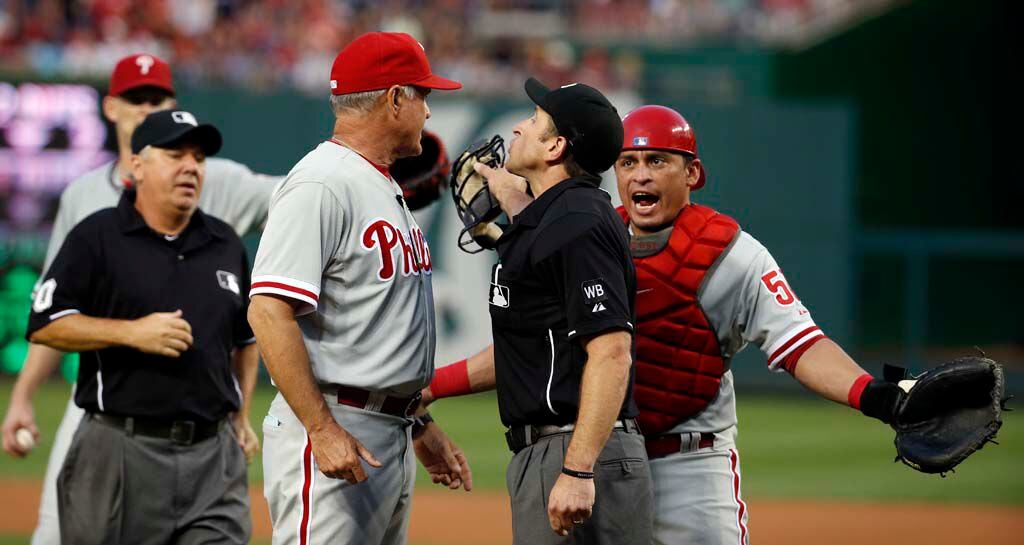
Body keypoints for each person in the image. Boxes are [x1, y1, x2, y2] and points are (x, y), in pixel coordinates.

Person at [1, 53, 279, 545]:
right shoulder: (96, 231)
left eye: (198, 156)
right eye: (175, 155)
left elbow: (245, 334)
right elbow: (46, 321)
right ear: (138, 165)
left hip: (212, 457)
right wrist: (130, 333)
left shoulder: (225, 241)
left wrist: (240, 414)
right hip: (119, 444)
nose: (191, 166)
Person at [608, 104, 910, 545]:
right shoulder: (592, 245)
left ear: (691, 173)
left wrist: (871, 394)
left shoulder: (733, 254)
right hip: (606, 461)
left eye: (657, 160)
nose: (640, 175)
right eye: (627, 162)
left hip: (691, 465)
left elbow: (800, 343)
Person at [246, 32, 472, 545]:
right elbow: (268, 311)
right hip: (336, 421)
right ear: (394, 99)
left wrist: (417, 422)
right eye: (423, 95)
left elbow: (376, 332)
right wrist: (322, 430)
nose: (429, 112)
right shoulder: (321, 182)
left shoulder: (378, 181)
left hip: (385, 426)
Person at [423, 78, 653, 545]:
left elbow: (611, 352)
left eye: (533, 121)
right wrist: (432, 388)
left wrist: (578, 469)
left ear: (556, 147)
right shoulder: (558, 219)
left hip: (574, 449)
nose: (518, 128)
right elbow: (530, 350)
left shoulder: (578, 223)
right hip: (556, 449)